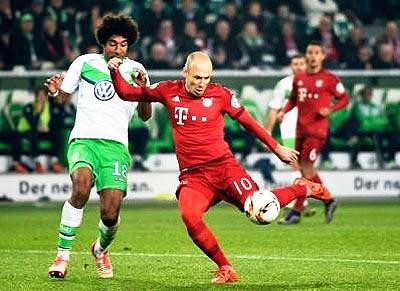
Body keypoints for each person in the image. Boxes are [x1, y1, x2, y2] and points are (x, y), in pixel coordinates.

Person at [108, 51, 332, 284]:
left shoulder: (221, 95)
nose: (202, 84)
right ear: (185, 72)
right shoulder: (168, 90)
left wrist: (276, 148)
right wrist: (114, 71)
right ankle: (225, 268)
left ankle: (303, 188)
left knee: (261, 213)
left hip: (225, 169)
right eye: (196, 78)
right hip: (194, 176)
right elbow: (126, 92)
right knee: (190, 216)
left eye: (206, 78)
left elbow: (249, 123)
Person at [46, 14, 152, 279]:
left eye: (124, 44)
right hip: (84, 139)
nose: (118, 49)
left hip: (115, 146)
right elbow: (62, 100)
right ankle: (62, 257)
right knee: (80, 188)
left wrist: (142, 90)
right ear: (103, 44)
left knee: (110, 213)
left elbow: (145, 115)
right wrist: (54, 92)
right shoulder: (84, 63)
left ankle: (100, 250)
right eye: (113, 43)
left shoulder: (137, 70)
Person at [278, 41, 349, 224]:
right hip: (300, 131)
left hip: (316, 132)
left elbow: (344, 98)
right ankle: (328, 200)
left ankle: (297, 211)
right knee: (304, 170)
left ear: (322, 56)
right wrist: (283, 111)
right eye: (310, 52)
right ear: (306, 55)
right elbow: (293, 100)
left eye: (316, 53)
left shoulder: (329, 79)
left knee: (306, 170)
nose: (312, 56)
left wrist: (330, 109)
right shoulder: (299, 78)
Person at [17, 86, 65, 173]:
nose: (41, 98)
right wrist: (38, 112)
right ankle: (37, 161)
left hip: (44, 132)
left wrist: (48, 129)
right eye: (39, 95)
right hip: (27, 132)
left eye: (43, 95)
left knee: (57, 133)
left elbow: (54, 121)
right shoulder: (29, 107)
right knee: (34, 133)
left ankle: (54, 161)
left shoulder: (50, 107)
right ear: (36, 97)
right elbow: (33, 124)